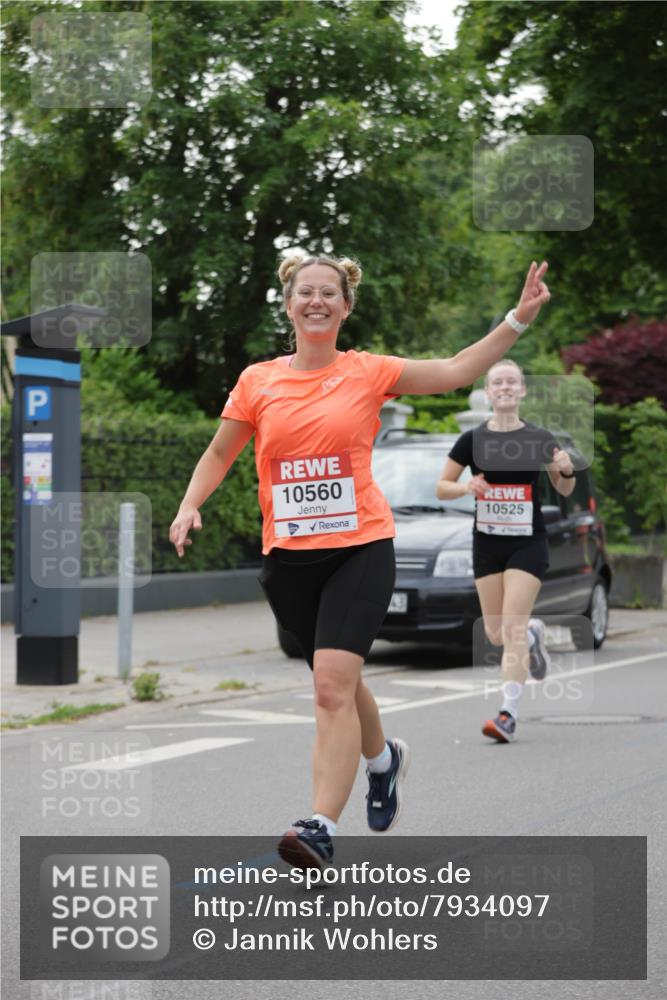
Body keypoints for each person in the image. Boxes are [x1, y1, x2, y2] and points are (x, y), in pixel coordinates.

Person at [169, 254, 551, 868]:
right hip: (289, 558)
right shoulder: (257, 381)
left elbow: (457, 369)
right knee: (339, 682)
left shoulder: (368, 371)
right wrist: (190, 504)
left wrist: (518, 318)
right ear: (288, 304)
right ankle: (383, 759)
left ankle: (319, 826)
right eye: (305, 292)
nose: (316, 301)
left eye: (329, 293)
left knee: (329, 689)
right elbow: (219, 454)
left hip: (361, 548)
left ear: (346, 307)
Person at [436, 358, 576, 743]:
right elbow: (442, 487)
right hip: (487, 543)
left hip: (528, 542)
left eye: (512, 381)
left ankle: (507, 715)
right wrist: (467, 487)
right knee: (496, 634)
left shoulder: (539, 438)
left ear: (523, 390)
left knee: (510, 627)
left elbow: (564, 488)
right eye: (498, 382)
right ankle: (532, 636)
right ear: (488, 391)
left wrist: (565, 468)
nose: (505, 387)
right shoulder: (471, 440)